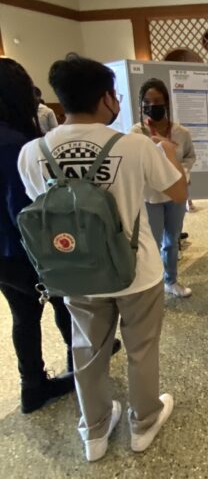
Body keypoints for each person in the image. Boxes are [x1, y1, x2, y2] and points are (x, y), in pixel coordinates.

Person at [18, 55, 187, 462]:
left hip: (75, 270)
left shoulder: (33, 151)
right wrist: (169, 153)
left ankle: (94, 431)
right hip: (137, 270)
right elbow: (177, 192)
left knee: (87, 349)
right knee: (141, 348)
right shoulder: (134, 145)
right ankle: (143, 422)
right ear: (107, 97)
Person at [0, 58, 75, 414]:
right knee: (64, 303)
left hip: (3, 257)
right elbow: (25, 213)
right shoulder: (16, 144)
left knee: (23, 316)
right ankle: (82, 366)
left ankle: (32, 385)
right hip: (22, 250)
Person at [131, 78, 195, 298]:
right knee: (152, 242)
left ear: (167, 102)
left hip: (175, 195)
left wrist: (180, 174)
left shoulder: (181, 133)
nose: (153, 106)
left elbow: (189, 157)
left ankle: (171, 280)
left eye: (158, 101)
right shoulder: (136, 134)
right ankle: (153, 285)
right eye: (147, 102)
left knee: (172, 239)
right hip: (150, 197)